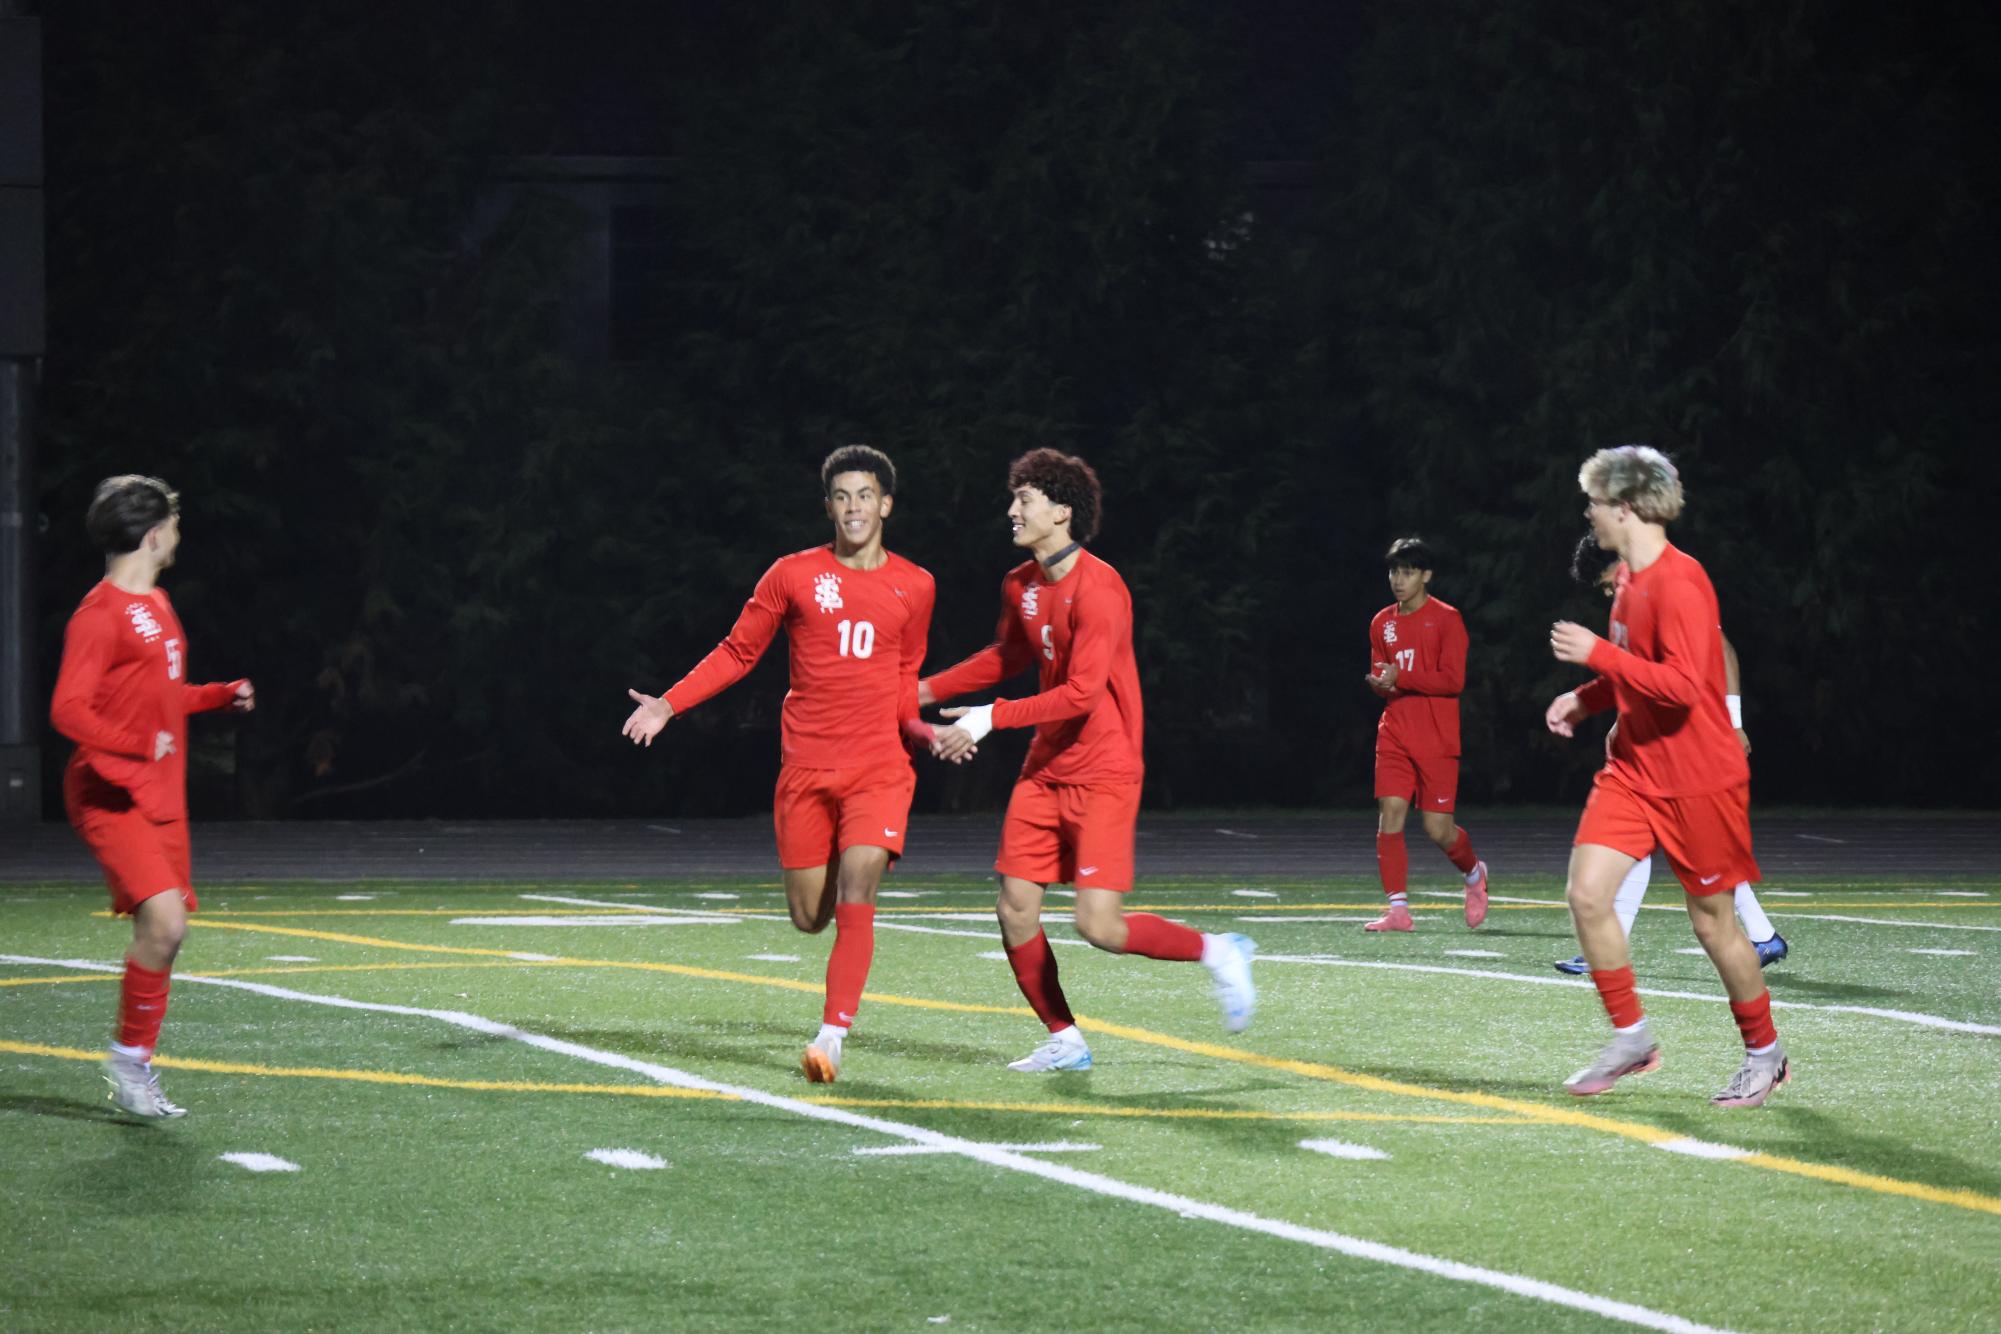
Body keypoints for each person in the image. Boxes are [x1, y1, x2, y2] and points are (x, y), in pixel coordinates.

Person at [923, 448, 1256, 1074]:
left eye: (1023, 500)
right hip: (1045, 768)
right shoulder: (1020, 584)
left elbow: (1080, 693)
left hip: (1104, 770)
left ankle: (1217, 951)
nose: (1011, 510)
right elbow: (1004, 657)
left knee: (1099, 926)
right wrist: (921, 691)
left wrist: (989, 717)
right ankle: (1066, 1039)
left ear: (1061, 511)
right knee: (1015, 906)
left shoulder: (1102, 590)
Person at [622, 445, 936, 1085]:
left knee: (858, 889)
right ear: (828, 507)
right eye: (842, 497)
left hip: (880, 767)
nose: (854, 507)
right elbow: (738, 652)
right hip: (806, 770)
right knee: (808, 917)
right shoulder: (791, 575)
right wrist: (669, 705)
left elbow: (907, 677)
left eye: (865, 495)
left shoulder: (917, 584)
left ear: (886, 504)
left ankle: (831, 1037)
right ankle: (831, 946)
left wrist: (921, 732)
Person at [1546, 445, 1787, 1107]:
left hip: (1696, 778)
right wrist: (1585, 696)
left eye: (1594, 502)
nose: (1589, 513)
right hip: (1631, 770)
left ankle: (1764, 1053)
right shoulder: (1625, 577)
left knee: (1713, 927)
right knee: (1587, 894)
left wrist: (1593, 654)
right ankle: (1631, 1037)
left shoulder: (1681, 582)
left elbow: (1681, 687)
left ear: (1624, 507)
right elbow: (1631, 666)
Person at [49, 475, 254, 1118]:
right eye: (174, 525)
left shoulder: (159, 605)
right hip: (109, 792)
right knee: (167, 923)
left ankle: (134, 1064)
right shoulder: (98, 615)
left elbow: (161, 699)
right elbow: (68, 711)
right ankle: (129, 1063)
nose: (178, 537)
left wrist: (217, 694)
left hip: (159, 794)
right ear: (154, 533)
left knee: (163, 935)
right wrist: (136, 744)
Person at [1554, 536, 1787, 974]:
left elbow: (1721, 651)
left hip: (1696, 747)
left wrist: (1734, 721)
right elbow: (1641, 676)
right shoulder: (1631, 599)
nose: (1609, 594)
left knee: (1703, 858)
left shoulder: (1670, 584)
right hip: (1657, 749)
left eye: (1607, 584)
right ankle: (1613, 949)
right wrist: (1611, 714)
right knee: (1645, 845)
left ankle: (1761, 1022)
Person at [1361, 537, 1489, 932]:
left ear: (1427, 575)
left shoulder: (1447, 619)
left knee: (1438, 830)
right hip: (1395, 732)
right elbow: (1386, 678)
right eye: (1394, 571)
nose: (1398, 580)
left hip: (1436, 737)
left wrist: (1402, 677)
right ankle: (1398, 910)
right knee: (1391, 814)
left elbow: (1453, 681)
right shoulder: (1382, 622)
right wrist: (1380, 685)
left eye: (1408, 572)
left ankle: (1473, 874)